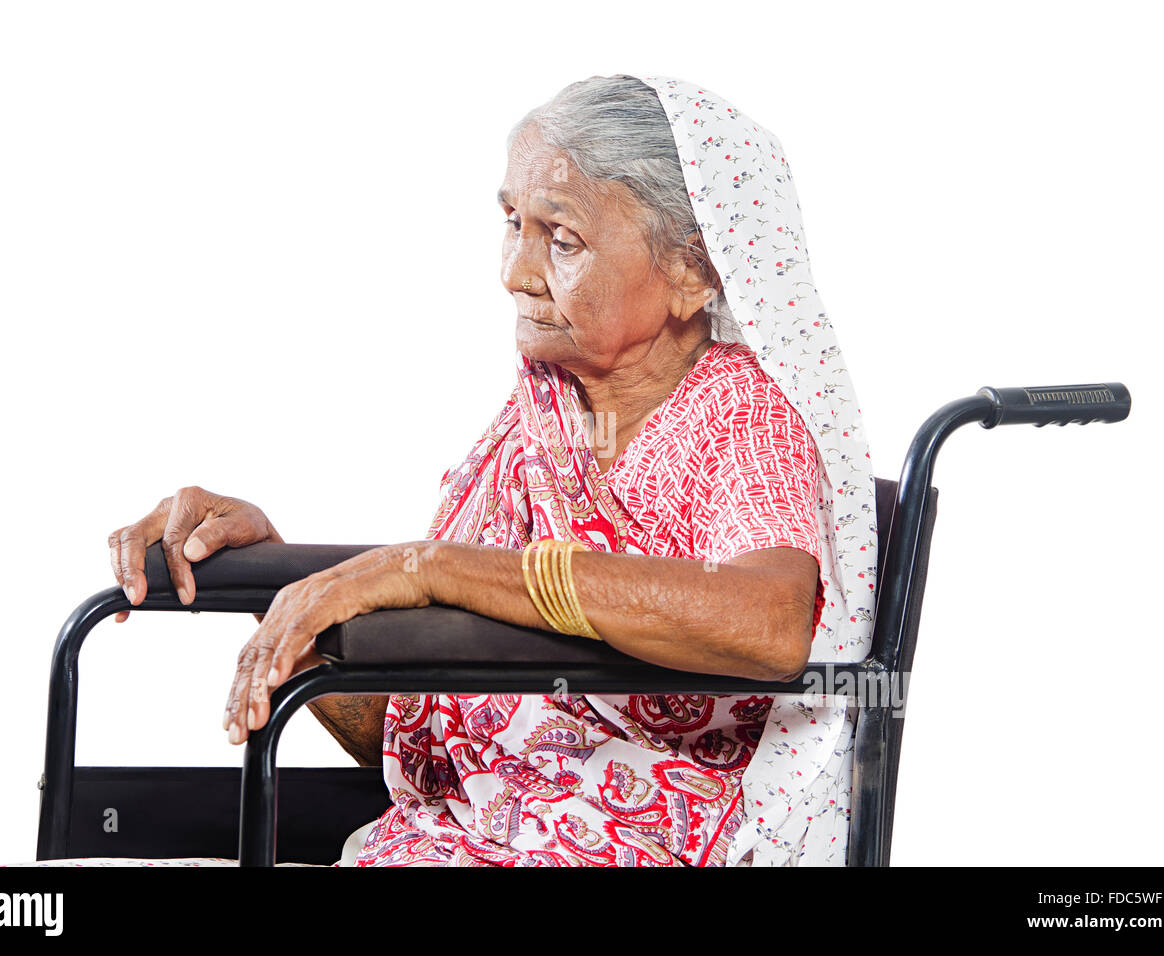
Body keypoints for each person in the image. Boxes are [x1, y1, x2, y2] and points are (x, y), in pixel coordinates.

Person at [98, 74, 879, 867]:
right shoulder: (542, 422)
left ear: (693, 271)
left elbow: (769, 626)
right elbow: (409, 734)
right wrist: (283, 597)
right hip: (463, 827)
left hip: (646, 838)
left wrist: (437, 569)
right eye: (513, 223)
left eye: (562, 239)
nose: (515, 271)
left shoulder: (741, 412)